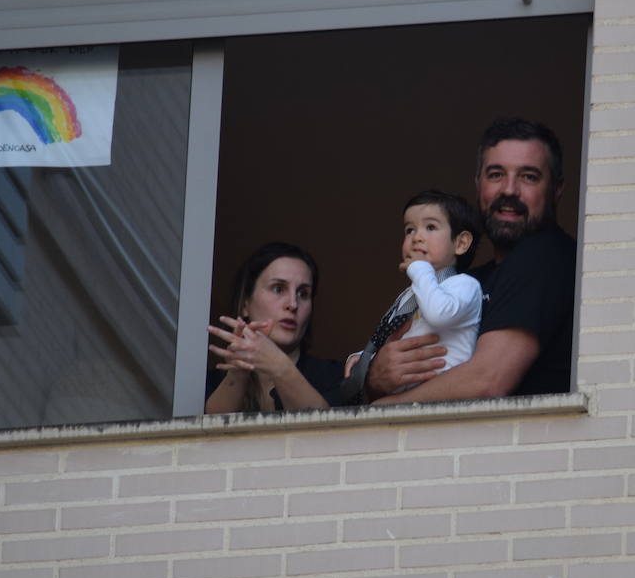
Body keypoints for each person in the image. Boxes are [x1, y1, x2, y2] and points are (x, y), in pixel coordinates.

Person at [366, 119, 576, 404]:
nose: (509, 190)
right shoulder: (467, 280)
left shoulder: (548, 256)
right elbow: (394, 358)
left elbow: (487, 381)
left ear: (557, 189)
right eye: (496, 174)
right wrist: (375, 376)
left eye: (528, 176)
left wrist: (380, 408)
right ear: (478, 184)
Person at [340, 189, 483, 401]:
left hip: (446, 397)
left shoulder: (465, 285)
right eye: (409, 230)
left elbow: (439, 314)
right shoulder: (412, 293)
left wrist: (419, 269)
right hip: (408, 400)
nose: (416, 238)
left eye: (431, 227)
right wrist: (365, 358)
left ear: (460, 243)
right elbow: (400, 335)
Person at [204, 242, 342, 414]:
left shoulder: (333, 376)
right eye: (278, 289)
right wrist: (238, 374)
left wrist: (279, 365)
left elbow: (327, 433)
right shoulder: (208, 383)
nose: (293, 304)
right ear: (245, 304)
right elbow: (210, 436)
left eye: (303, 294)